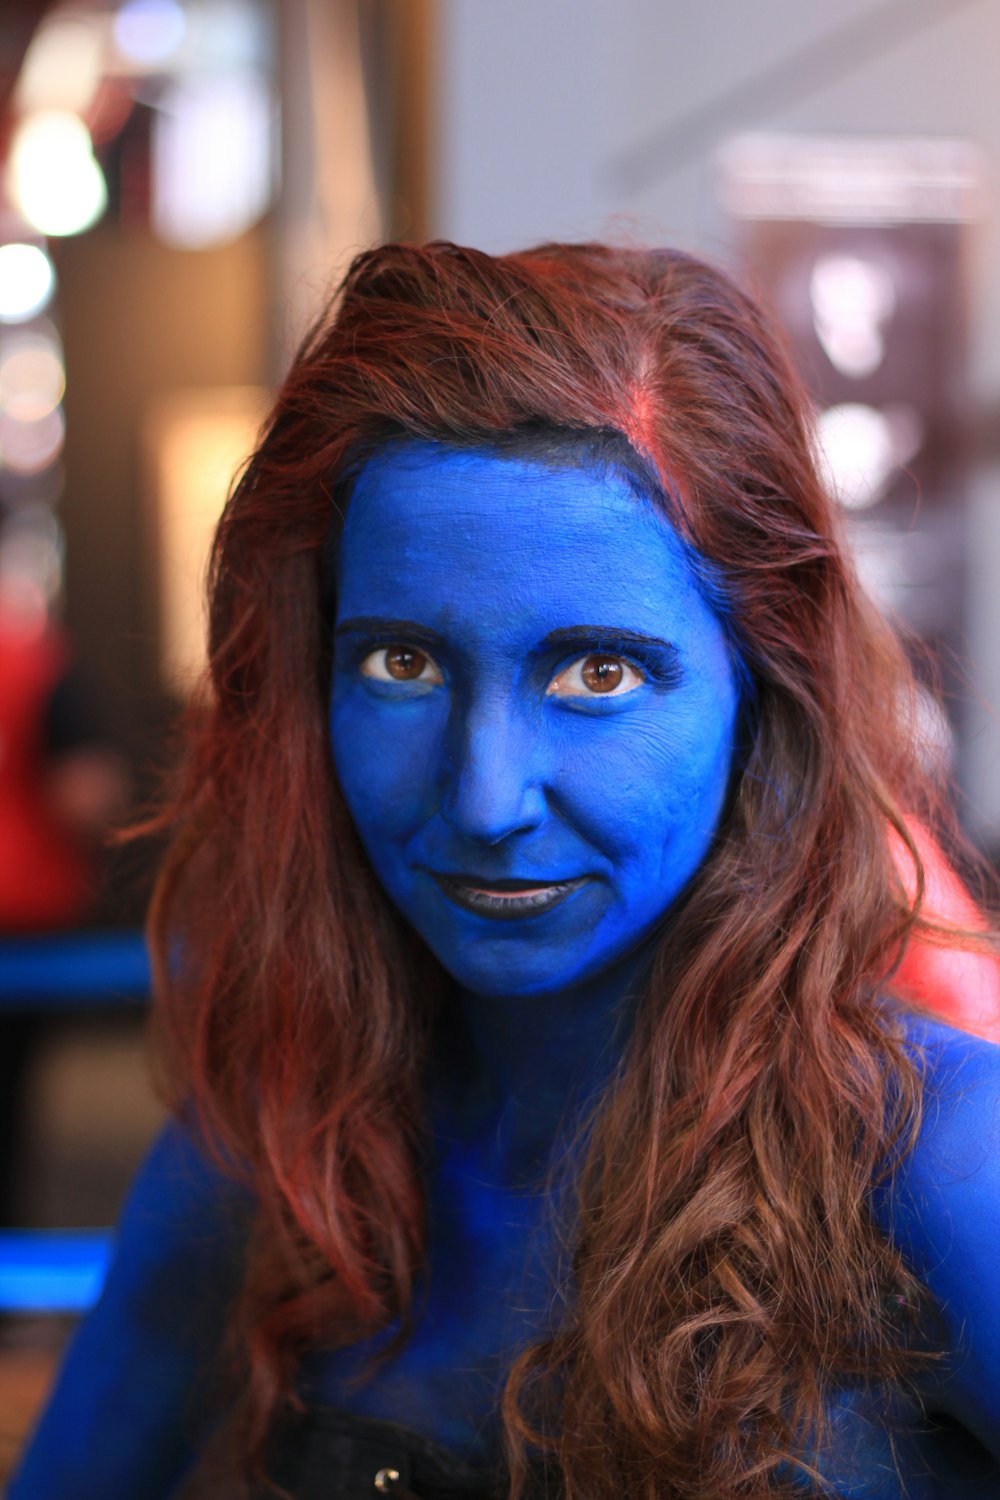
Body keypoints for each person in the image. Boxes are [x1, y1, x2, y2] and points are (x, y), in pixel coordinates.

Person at [9, 241, 1000, 1500]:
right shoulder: (280, 1147)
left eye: (599, 672)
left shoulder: (939, 1162)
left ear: (763, 688)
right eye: (402, 667)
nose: (485, 801)